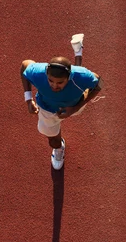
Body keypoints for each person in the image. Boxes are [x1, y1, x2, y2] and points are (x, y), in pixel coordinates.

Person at [20, 34, 103, 170]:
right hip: (47, 108)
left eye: (60, 82)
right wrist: (28, 99)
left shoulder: (82, 76)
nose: (54, 86)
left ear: (69, 77)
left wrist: (75, 108)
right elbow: (24, 66)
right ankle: (59, 148)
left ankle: (78, 52)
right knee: (52, 139)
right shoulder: (38, 72)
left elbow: (99, 84)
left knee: (81, 80)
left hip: (74, 103)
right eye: (50, 80)